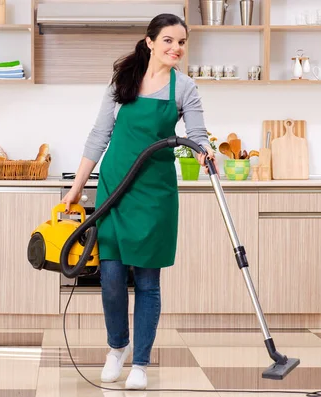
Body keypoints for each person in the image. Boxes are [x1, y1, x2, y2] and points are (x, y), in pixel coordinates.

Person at [61, 13, 215, 390]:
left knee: (147, 281)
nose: (175, 48)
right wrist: (77, 187)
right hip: (115, 189)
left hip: (155, 194)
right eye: (167, 40)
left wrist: (204, 151)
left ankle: (141, 363)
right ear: (149, 42)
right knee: (111, 278)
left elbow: (197, 135)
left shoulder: (186, 89)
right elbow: (99, 135)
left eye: (181, 42)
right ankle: (118, 347)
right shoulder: (123, 81)